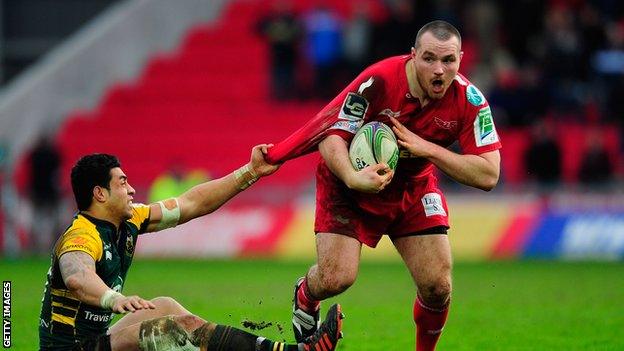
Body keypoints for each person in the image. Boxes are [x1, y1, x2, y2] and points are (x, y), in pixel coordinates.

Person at [265, 20, 502, 350]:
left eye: (448, 61)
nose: (439, 70)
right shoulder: (378, 81)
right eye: (429, 58)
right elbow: (330, 137)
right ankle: (306, 294)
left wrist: (426, 149)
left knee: (437, 286)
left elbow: (489, 174)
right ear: (413, 55)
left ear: (461, 59)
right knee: (336, 278)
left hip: (411, 187)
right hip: (348, 185)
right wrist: (352, 176)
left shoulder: (471, 101)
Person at [38, 145, 344, 351]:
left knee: (167, 307)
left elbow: (190, 203)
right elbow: (77, 276)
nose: (131, 189)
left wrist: (250, 172)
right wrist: (112, 298)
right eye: (122, 183)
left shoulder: (130, 221)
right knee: (176, 328)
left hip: (96, 340)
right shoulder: (82, 235)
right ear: (99, 194)